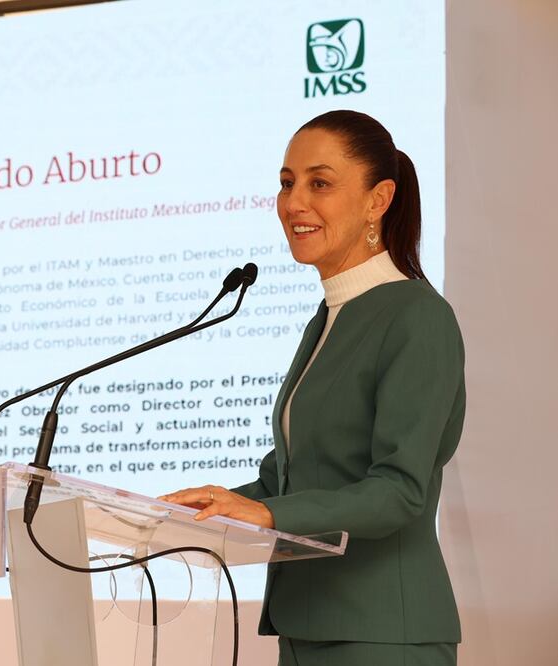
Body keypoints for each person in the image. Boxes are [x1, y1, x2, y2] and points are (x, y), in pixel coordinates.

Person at [161, 110, 464, 665]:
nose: (293, 202)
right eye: (286, 182)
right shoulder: (329, 318)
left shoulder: (417, 316)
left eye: (319, 183)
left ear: (379, 200)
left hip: (380, 633)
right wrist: (217, 506)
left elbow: (401, 490)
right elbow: (296, 473)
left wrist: (271, 515)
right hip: (306, 629)